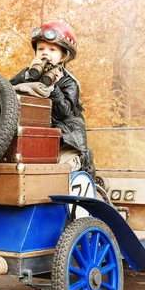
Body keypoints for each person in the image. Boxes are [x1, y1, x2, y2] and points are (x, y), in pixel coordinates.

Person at [9, 21, 96, 178]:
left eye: (52, 49)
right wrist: (27, 77)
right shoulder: (27, 74)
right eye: (40, 49)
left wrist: (53, 88)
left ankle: (81, 161)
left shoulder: (69, 82)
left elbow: (64, 112)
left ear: (63, 55)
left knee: (56, 172)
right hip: (37, 137)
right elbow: (7, 90)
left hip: (65, 139)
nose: (45, 53)